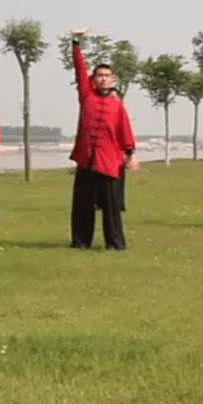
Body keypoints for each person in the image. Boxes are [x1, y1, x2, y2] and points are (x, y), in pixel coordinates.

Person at [68, 27, 137, 250]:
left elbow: (124, 131)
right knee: (82, 205)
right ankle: (80, 242)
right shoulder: (86, 95)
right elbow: (80, 70)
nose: (104, 79)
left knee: (111, 206)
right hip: (86, 158)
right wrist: (76, 43)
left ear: (113, 79)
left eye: (107, 76)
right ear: (93, 80)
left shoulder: (117, 105)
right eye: (100, 76)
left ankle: (115, 244)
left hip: (109, 161)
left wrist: (129, 154)